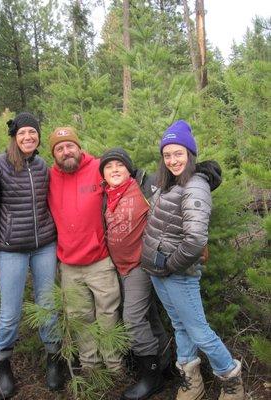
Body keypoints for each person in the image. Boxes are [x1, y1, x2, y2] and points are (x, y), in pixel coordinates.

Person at [141, 120, 244, 400]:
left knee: (199, 330)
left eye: (179, 153)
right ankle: (192, 381)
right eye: (167, 155)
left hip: (176, 272)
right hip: (158, 270)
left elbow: (196, 239)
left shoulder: (195, 185)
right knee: (180, 325)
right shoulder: (168, 183)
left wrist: (170, 265)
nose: (173, 160)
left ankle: (231, 381)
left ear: (190, 155)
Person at [0, 112, 62, 399]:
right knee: (10, 313)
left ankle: (53, 358)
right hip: (10, 250)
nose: (28, 137)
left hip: (45, 247)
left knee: (48, 307)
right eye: (23, 133)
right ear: (14, 136)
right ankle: (2, 363)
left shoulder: (42, 166)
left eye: (33, 133)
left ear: (38, 136)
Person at [47, 127, 122, 372]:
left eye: (70, 146)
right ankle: (91, 368)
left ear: (79, 147)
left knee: (108, 317)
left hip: (100, 261)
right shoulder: (48, 178)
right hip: (69, 265)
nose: (66, 151)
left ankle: (114, 366)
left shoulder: (100, 168)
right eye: (59, 148)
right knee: (80, 319)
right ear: (54, 154)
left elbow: (127, 182)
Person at [99, 148, 171, 400]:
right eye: (109, 167)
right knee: (149, 316)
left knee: (132, 319)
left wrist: (203, 175)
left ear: (129, 169)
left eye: (120, 165)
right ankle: (164, 365)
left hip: (140, 265)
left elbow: (173, 186)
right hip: (119, 267)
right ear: (103, 174)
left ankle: (151, 378)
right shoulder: (106, 195)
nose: (115, 170)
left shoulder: (143, 186)